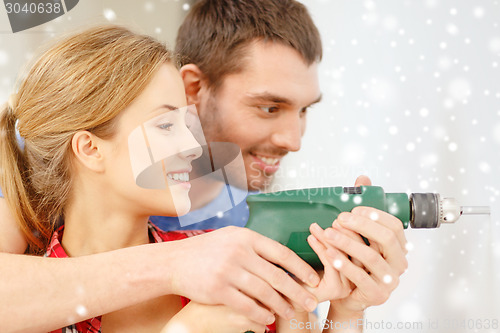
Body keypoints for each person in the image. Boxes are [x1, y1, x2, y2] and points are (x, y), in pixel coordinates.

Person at [0, 0, 408, 331]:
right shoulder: (31, 283)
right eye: (165, 124)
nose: (193, 146)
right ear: (89, 149)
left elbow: (300, 320)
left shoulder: (246, 256)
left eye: (186, 123)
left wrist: (347, 313)